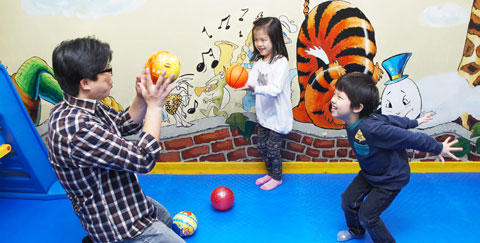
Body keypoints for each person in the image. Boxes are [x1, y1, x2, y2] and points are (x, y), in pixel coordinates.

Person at [47, 37, 185, 243]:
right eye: (106, 70)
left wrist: (140, 98)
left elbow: (123, 124)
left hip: (119, 194)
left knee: (164, 218)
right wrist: (155, 107)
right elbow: (143, 159)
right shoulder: (77, 128)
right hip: (114, 224)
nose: (111, 74)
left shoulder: (81, 104)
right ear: (85, 83)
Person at [331, 73, 462, 242]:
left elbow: (412, 139)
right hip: (370, 172)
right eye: (335, 94)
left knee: (368, 217)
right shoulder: (358, 120)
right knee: (348, 201)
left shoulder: (373, 129)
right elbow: (390, 119)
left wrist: (438, 147)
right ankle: (356, 231)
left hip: (390, 178)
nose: (333, 100)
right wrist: (415, 121)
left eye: (339, 97)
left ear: (357, 107)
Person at [238, 17, 293, 191]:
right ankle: (270, 173)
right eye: (256, 40)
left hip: (278, 117)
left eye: (263, 39)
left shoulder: (281, 62)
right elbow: (252, 83)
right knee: (262, 146)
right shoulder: (258, 64)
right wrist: (242, 84)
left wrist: (255, 87)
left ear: (275, 39)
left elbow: (275, 89)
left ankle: (277, 177)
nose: (259, 44)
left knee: (273, 150)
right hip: (264, 116)